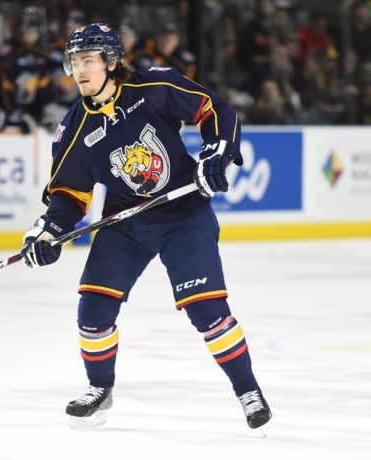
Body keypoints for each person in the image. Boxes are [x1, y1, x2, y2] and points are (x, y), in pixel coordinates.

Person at [20, 23, 272, 430]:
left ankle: (247, 389)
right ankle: (99, 388)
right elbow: (68, 192)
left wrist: (216, 155)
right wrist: (48, 231)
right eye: (74, 62)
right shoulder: (74, 128)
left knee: (207, 312)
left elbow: (214, 110)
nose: (80, 70)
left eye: (88, 60)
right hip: (126, 223)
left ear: (112, 62)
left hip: (183, 215)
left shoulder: (151, 86)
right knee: (93, 310)